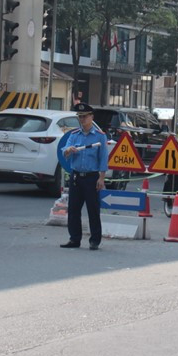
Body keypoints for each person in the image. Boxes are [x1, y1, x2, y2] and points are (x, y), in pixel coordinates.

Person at [61, 103, 108, 250]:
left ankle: (94, 240)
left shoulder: (100, 136)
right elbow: (65, 151)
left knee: (93, 209)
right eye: (80, 117)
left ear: (91, 117)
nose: (82, 119)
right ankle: (74, 239)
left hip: (91, 177)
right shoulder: (74, 135)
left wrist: (101, 178)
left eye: (85, 116)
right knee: (74, 209)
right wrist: (68, 150)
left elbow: (103, 158)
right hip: (76, 176)